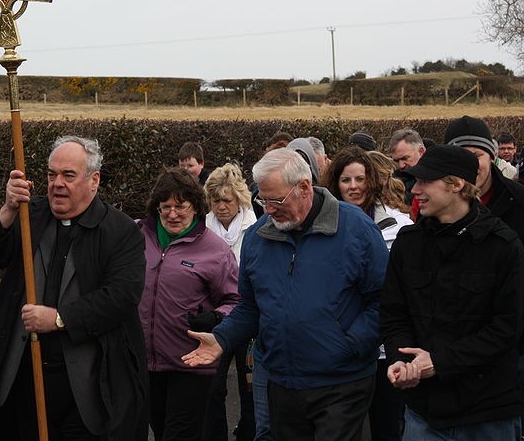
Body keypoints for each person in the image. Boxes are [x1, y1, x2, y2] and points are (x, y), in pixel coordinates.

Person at [183, 148, 389, 441]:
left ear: (304, 187)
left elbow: (383, 300)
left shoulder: (356, 228)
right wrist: (222, 338)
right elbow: (250, 306)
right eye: (262, 200)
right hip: (283, 382)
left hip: (342, 382)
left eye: (276, 200)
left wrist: (351, 345)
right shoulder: (258, 237)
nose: (268, 209)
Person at [0, 136, 149, 441]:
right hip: (21, 383)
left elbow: (121, 297)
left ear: (93, 180)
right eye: (51, 174)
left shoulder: (121, 232)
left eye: (68, 175)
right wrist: (6, 210)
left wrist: (60, 318)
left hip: (88, 392)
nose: (57, 183)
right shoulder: (29, 215)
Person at [380, 144, 524, 439]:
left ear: (457, 185)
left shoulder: (502, 246)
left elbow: (507, 328)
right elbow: (394, 313)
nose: (415, 190)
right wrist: (402, 360)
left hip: (487, 413)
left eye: (424, 181)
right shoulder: (409, 244)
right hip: (423, 412)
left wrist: (440, 363)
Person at [138, 167, 239, 441]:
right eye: (165, 207)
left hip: (191, 363)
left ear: (195, 207)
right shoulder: (138, 237)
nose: (172, 214)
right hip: (145, 362)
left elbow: (236, 300)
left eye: (180, 207)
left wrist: (216, 318)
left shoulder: (215, 250)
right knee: (160, 431)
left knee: (179, 435)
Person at [323, 146, 412, 441]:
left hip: (387, 348)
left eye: (360, 179)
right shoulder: (323, 228)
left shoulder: (400, 226)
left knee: (388, 425)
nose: (353, 187)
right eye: (346, 180)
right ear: (335, 183)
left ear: (372, 180)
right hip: (341, 346)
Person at [201, 163, 259, 441]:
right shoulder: (201, 230)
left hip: (249, 317)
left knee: (250, 389)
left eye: (227, 200)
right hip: (217, 318)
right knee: (213, 387)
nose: (221, 206)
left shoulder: (256, 228)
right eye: (216, 200)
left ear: (239, 199)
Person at [444, 115, 524, 240]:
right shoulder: (438, 203)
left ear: (492, 157)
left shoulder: (519, 200)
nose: (469, 164)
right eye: (460, 156)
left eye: (477, 156)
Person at [387, 128, 427, 220]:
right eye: (396, 160)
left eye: (405, 158)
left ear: (421, 151)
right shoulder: (391, 183)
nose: (401, 165)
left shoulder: (438, 178)